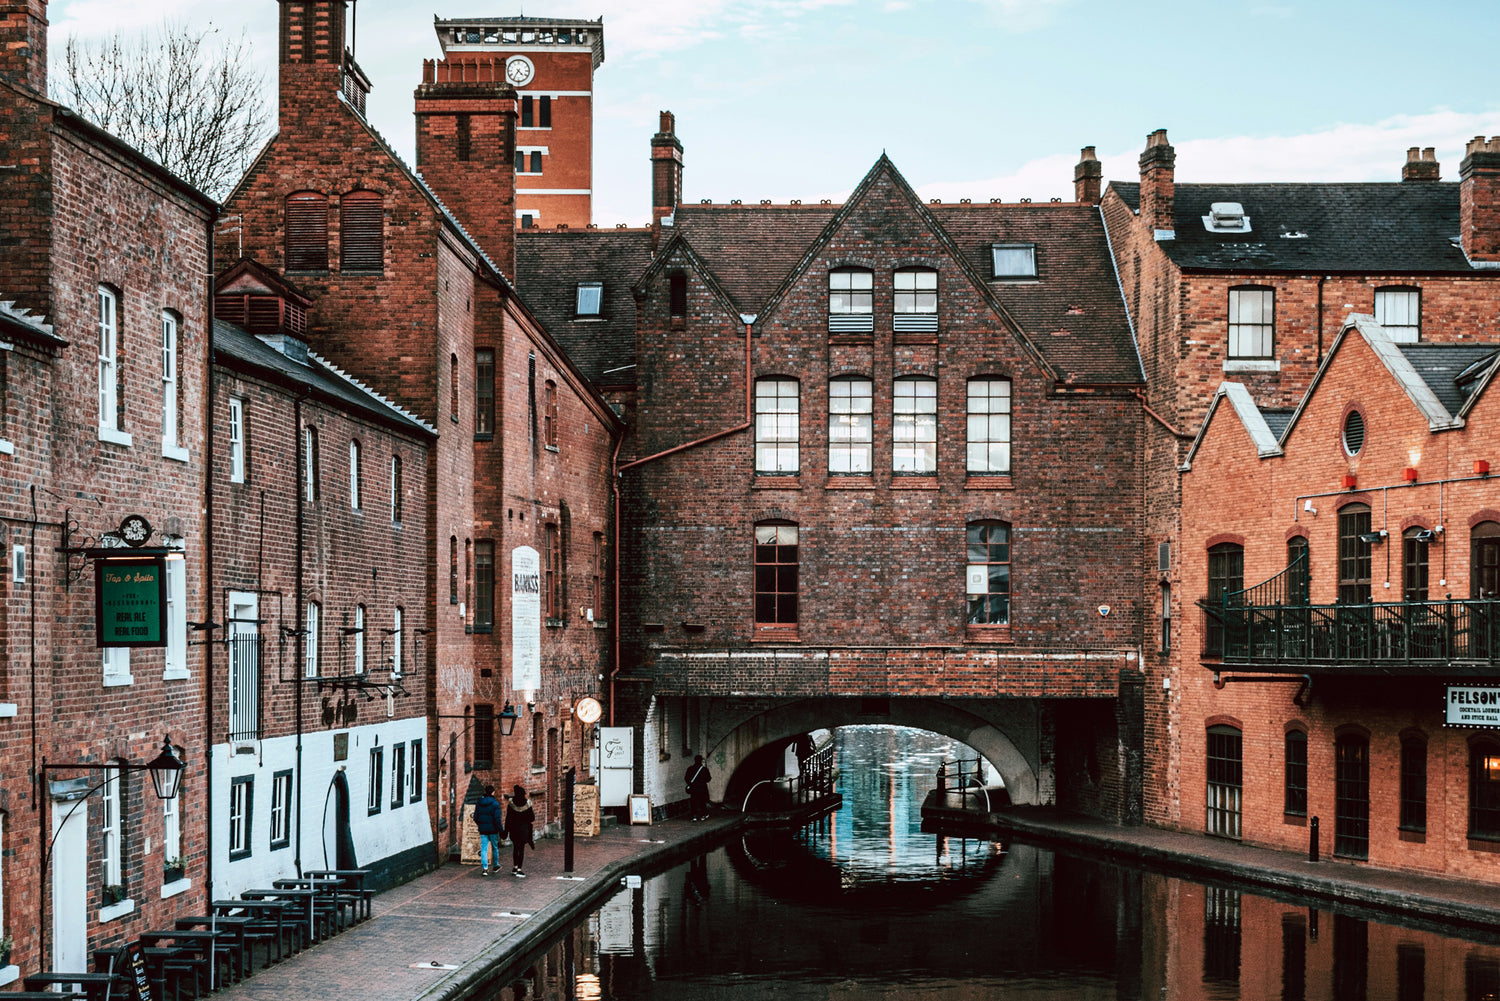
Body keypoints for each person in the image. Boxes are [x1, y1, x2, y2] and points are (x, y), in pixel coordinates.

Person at [473, 785, 504, 876]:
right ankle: (495, 865)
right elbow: (497, 819)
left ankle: (485, 868)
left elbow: (475, 817)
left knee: (483, 848)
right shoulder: (495, 804)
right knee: (494, 847)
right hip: (493, 830)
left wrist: (480, 825)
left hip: (483, 830)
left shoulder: (479, 802)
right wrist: (500, 830)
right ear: (493, 792)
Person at [505, 784, 535, 876]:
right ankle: (519, 868)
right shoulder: (527, 803)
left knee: (515, 848)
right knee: (521, 849)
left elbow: (508, 818)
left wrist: (507, 829)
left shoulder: (511, 804)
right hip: (523, 829)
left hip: (514, 829)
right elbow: (532, 818)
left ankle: (514, 867)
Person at [685, 754, 711, 821]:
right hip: (702, 789)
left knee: (693, 802)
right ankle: (703, 815)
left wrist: (691, 783)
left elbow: (686, 778)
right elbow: (708, 779)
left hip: (694, 789)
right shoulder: (704, 769)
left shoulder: (690, 768)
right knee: (702, 802)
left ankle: (694, 816)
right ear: (701, 761)